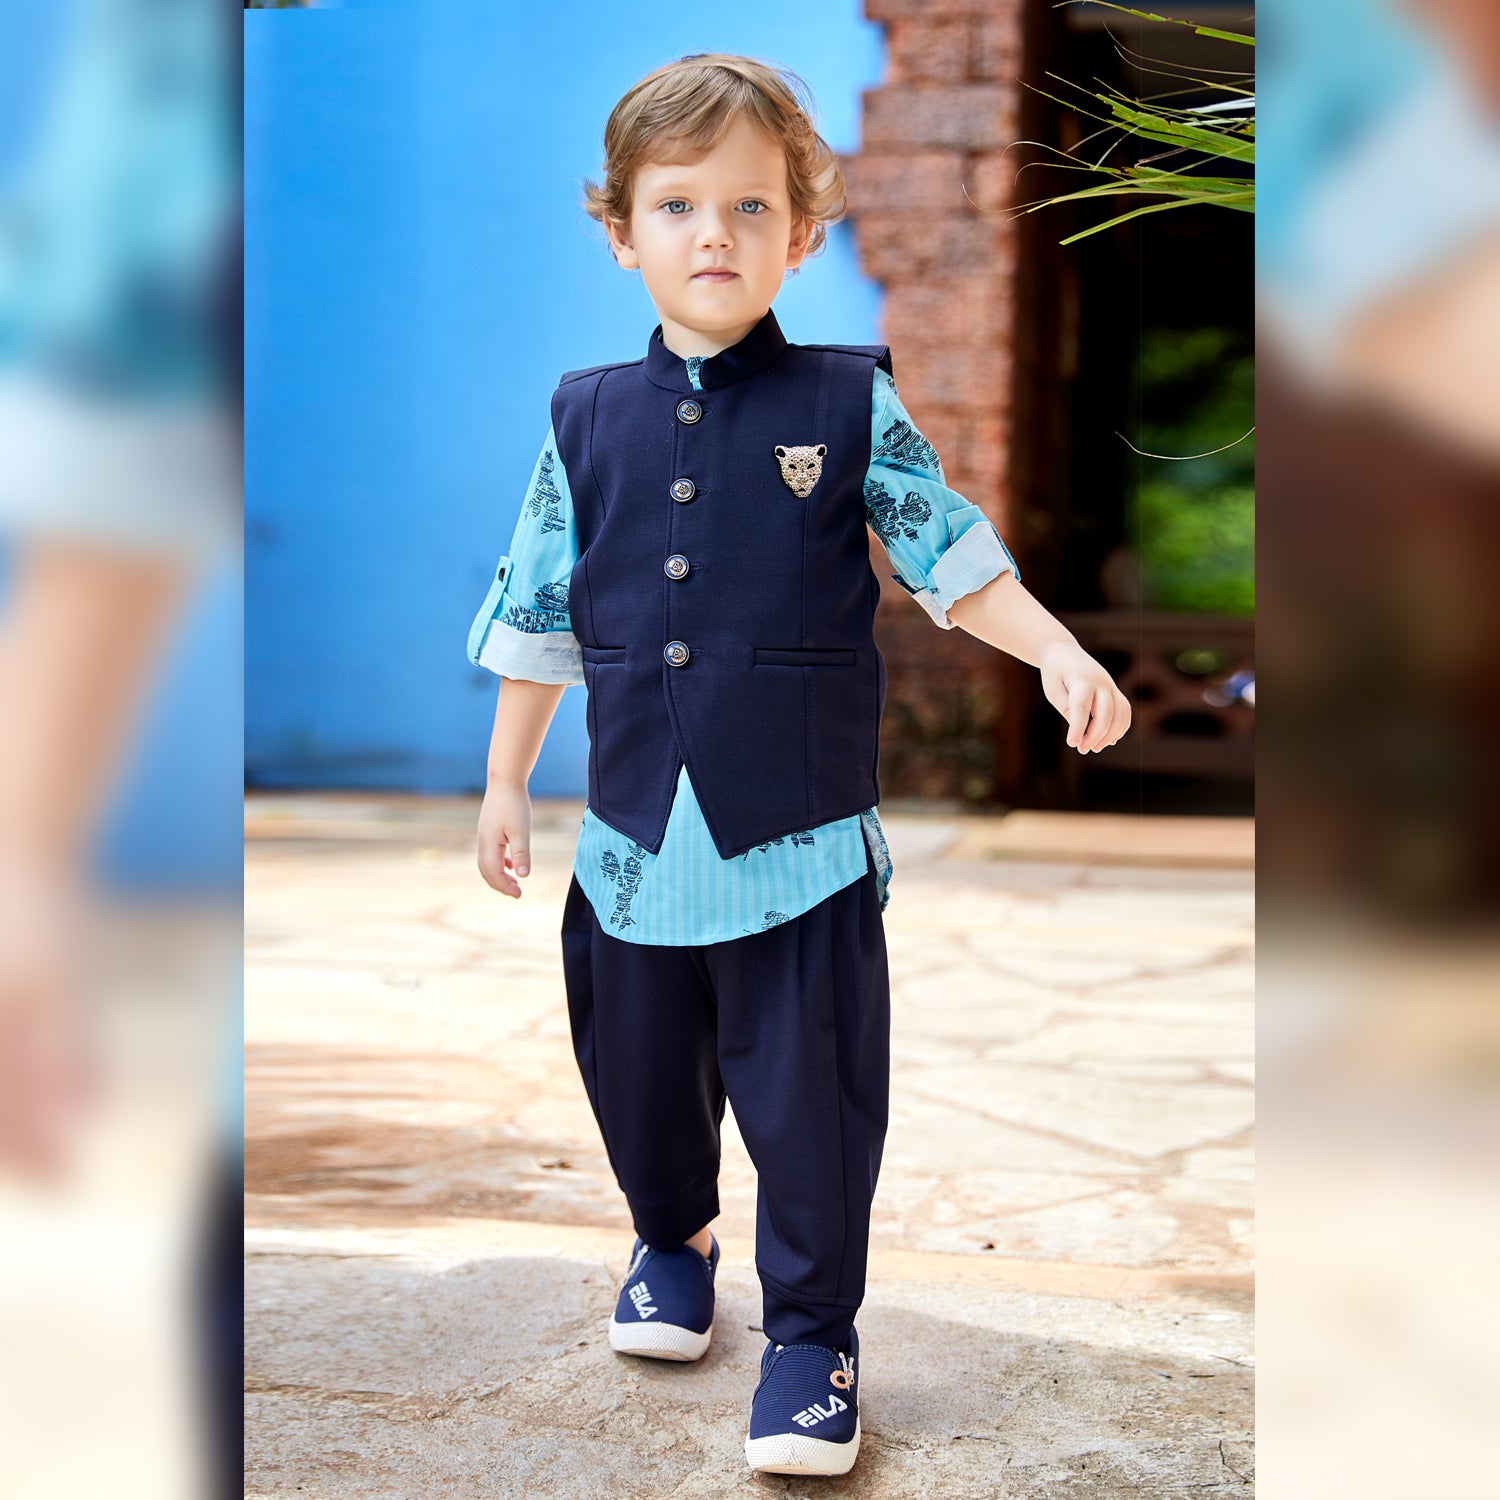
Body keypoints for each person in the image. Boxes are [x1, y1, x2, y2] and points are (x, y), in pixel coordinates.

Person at [467, 53, 1130, 1479]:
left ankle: (813, 1342)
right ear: (621, 232)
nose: (714, 234)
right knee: (638, 1076)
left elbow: (946, 550)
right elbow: (539, 605)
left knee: (811, 1103)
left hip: (801, 838)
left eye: (751, 206)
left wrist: (1055, 649)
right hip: (636, 840)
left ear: (804, 232)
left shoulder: (846, 402)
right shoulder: (584, 417)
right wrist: (507, 780)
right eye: (677, 205)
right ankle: (672, 1241)